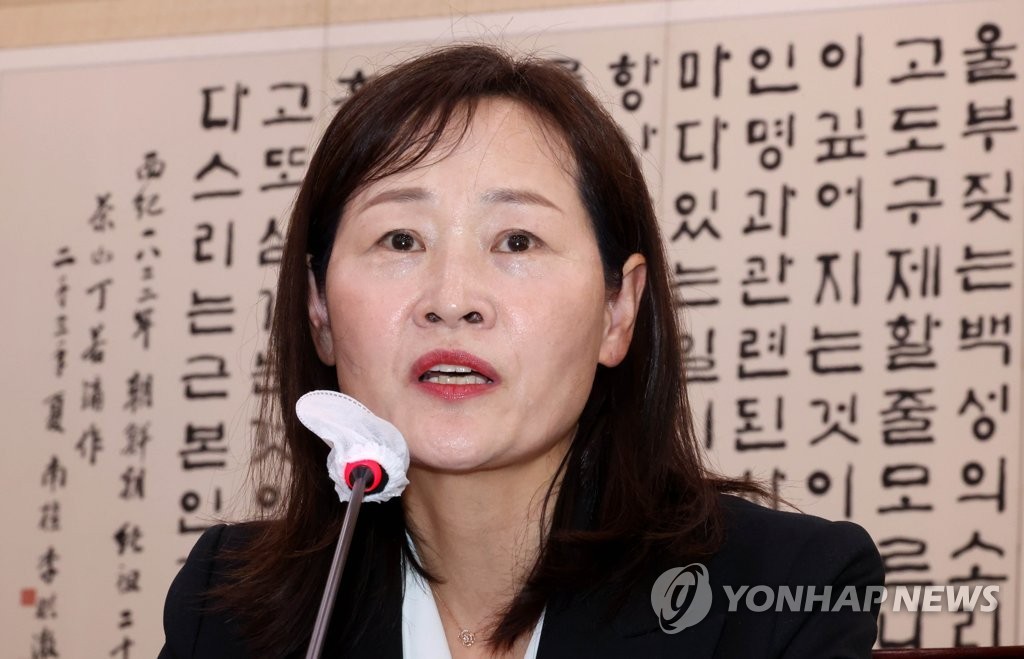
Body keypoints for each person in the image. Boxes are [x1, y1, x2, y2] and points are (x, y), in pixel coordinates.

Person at [158, 44, 883, 658]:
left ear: (618, 310)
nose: (452, 298)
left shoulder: (780, 593)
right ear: (319, 309)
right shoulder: (226, 610)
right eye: (401, 239)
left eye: (517, 241)